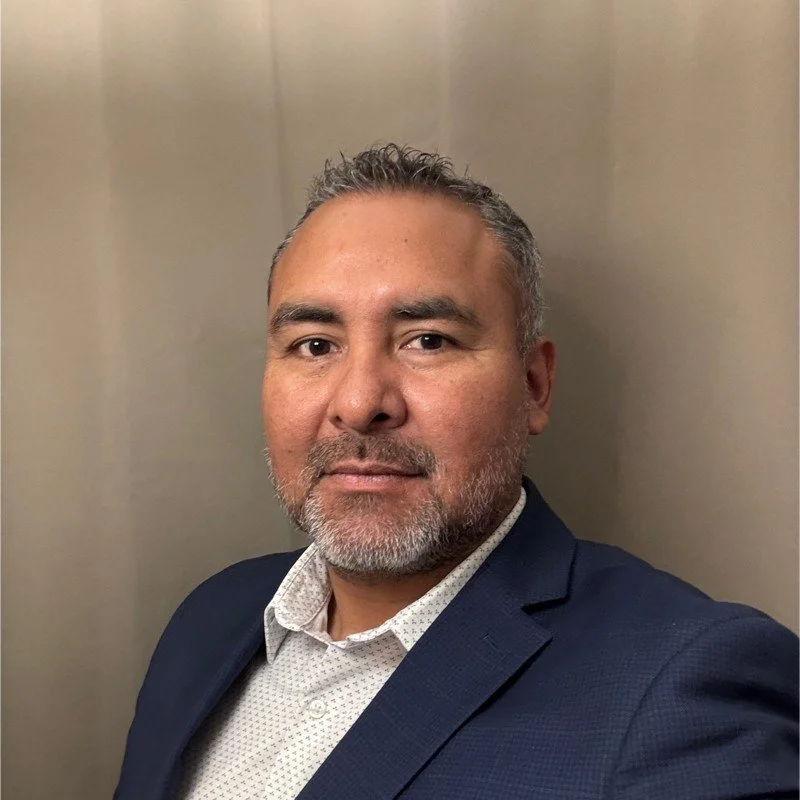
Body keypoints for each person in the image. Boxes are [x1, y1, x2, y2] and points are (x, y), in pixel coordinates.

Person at [114, 144, 798, 800]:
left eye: (427, 341)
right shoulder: (209, 620)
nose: (358, 404)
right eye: (314, 344)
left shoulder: (686, 688)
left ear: (533, 386)